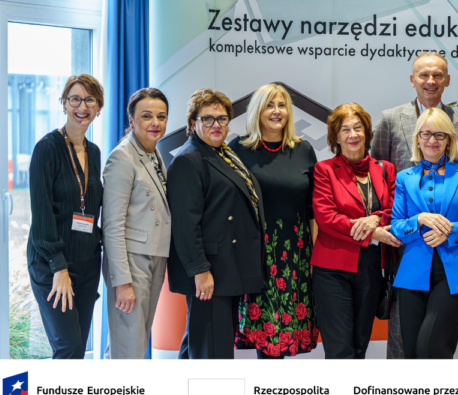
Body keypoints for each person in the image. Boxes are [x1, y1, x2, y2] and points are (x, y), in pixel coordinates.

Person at [371, 51, 458, 359]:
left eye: (437, 75)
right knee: (402, 336)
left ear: (447, 80)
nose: (430, 81)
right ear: (412, 79)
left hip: (452, 251)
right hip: (405, 246)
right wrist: (383, 224)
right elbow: (377, 178)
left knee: (436, 342)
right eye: (423, 75)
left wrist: (453, 229)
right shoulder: (390, 119)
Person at [167, 88, 265, 359]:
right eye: (207, 119)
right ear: (193, 122)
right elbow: (185, 225)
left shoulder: (223, 153)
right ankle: (213, 392)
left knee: (200, 343)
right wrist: (200, 270)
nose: (216, 125)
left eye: (222, 118)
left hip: (226, 268)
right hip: (210, 272)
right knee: (213, 352)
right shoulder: (188, 160)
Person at [390, 108, 458, 359]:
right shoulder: (404, 178)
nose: (432, 140)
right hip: (413, 274)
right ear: (417, 138)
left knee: (431, 348)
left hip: (456, 272)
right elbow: (396, 227)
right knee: (412, 354)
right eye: (425, 134)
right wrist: (419, 220)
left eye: (439, 134)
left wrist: (450, 231)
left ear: (449, 139)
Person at [229, 83, 319, 358]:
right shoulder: (238, 149)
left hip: (296, 255)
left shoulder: (303, 149)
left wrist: (314, 254)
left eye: (282, 105)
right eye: (269, 105)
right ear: (257, 111)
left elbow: (312, 209)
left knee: (287, 332)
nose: (276, 111)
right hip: (257, 253)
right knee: (266, 334)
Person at [311, 103, 400, 359]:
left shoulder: (385, 168)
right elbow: (326, 218)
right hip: (332, 270)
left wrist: (376, 219)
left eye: (358, 128)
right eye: (345, 129)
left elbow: (396, 208)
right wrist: (372, 232)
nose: (353, 134)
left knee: (360, 347)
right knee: (340, 350)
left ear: (367, 132)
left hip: (371, 267)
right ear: (336, 137)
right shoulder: (324, 170)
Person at [27, 74, 104, 359]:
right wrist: (59, 268)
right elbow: (42, 213)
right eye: (75, 99)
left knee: (78, 347)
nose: (82, 107)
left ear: (99, 107)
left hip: (87, 263)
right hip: (52, 265)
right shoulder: (47, 148)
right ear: (63, 103)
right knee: (67, 346)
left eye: (90, 100)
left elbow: (93, 205)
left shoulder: (94, 152)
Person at [102, 88, 170, 359]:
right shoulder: (123, 157)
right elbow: (112, 225)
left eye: (161, 116)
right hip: (131, 263)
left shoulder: (154, 153)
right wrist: (122, 282)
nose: (155, 122)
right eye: (147, 116)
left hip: (154, 257)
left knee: (133, 343)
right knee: (129, 348)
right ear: (131, 120)